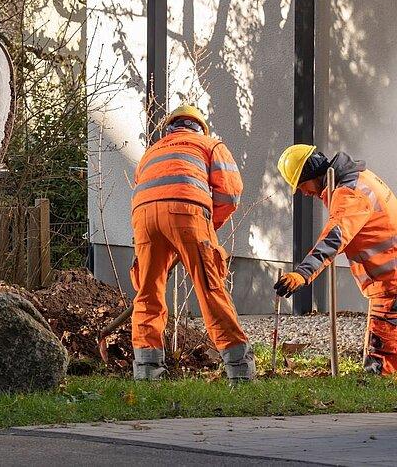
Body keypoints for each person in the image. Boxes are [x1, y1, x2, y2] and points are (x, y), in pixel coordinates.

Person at [130, 104, 254, 381]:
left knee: (148, 293)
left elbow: (145, 192)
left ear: (170, 128)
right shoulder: (210, 145)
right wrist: (209, 226)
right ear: (199, 126)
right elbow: (230, 194)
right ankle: (240, 372)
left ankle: (146, 374)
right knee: (210, 288)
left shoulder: (152, 151)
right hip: (188, 214)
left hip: (144, 219)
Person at [275, 145, 397, 374]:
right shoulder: (358, 178)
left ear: (311, 174)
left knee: (381, 362)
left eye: (302, 186)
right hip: (387, 282)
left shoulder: (349, 192)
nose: (304, 193)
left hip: (390, 284)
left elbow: (334, 237)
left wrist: (302, 273)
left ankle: (373, 405)